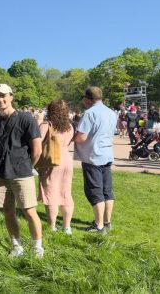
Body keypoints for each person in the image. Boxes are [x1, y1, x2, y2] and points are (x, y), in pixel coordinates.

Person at [0, 84, 44, 258]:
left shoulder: (26, 119)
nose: (0, 99)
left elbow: (37, 150)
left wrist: (26, 166)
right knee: (8, 210)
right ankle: (16, 245)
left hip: (22, 173)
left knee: (29, 210)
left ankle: (37, 247)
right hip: (1, 174)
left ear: (11, 96)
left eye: (3, 95)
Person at [73, 87, 117, 234]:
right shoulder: (111, 113)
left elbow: (81, 137)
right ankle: (106, 221)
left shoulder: (89, 113)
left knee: (95, 191)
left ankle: (99, 226)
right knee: (107, 191)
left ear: (88, 99)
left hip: (93, 157)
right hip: (106, 154)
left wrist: (72, 137)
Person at [37, 100, 75, 235]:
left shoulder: (46, 125)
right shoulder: (70, 127)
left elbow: (36, 142)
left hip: (52, 161)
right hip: (67, 160)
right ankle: (67, 227)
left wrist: (38, 121)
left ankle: (52, 227)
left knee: (51, 193)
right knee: (66, 194)